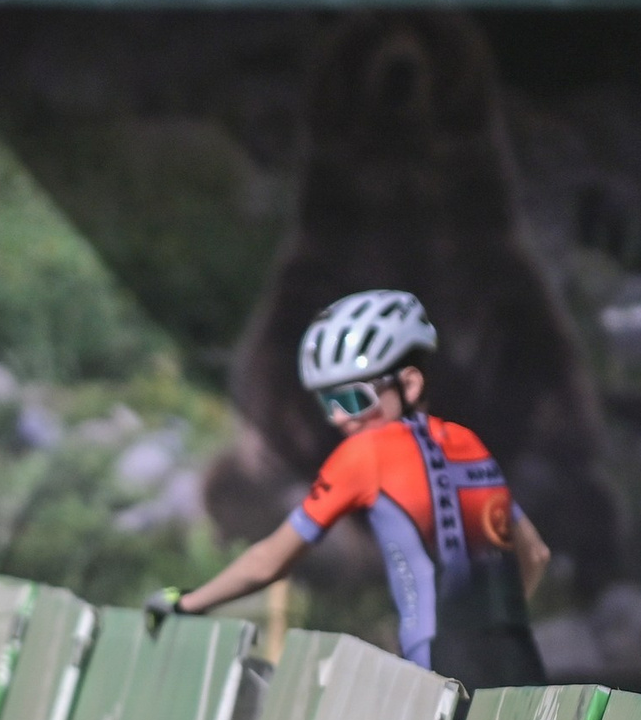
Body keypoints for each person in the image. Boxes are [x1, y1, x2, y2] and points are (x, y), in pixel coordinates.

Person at [148, 289, 551, 687]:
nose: (340, 418)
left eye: (355, 399)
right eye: (329, 402)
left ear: (410, 385)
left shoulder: (364, 454)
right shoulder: (469, 444)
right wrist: (500, 627)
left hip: (439, 665)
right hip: (518, 657)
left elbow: (269, 561)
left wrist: (186, 603)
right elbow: (535, 554)